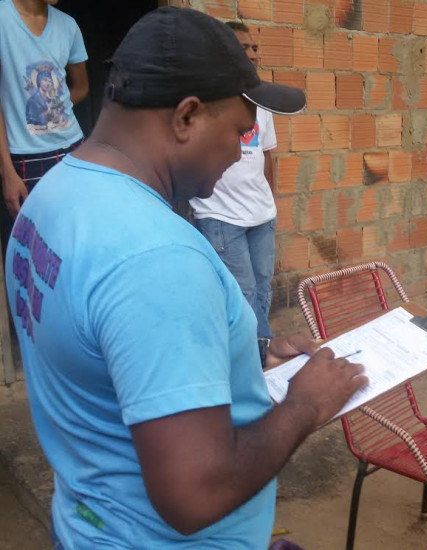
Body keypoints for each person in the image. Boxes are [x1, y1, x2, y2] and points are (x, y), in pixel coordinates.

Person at [5, 7, 367, 548]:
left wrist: (249, 347)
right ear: (186, 117)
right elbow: (193, 494)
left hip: (85, 526)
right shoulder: (157, 258)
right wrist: (305, 405)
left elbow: (107, 350)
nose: (236, 154)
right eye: (239, 133)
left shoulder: (52, 196)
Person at [190, 21, 284, 354]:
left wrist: (268, 200)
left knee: (261, 290)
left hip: (261, 216)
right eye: (243, 47)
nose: (252, 54)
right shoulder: (204, 100)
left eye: (255, 47)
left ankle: (260, 354)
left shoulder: (263, 98)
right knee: (239, 295)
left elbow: (266, 154)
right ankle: (248, 365)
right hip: (220, 217)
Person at [0, 0, 89, 243]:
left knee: (71, 242)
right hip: (23, 158)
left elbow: (81, 87)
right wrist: (7, 171)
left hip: (73, 150)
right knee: (24, 247)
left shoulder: (68, 26)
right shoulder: (3, 19)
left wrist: (52, 108)